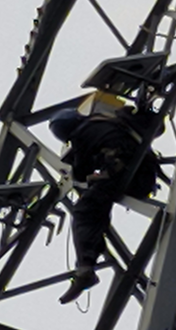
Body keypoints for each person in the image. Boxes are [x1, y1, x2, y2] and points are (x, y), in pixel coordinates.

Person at [50, 105, 159, 304]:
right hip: (145, 174)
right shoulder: (111, 119)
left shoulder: (81, 135)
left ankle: (86, 267)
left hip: (127, 175)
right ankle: (90, 257)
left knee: (85, 211)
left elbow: (81, 173)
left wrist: (81, 161)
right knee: (98, 202)